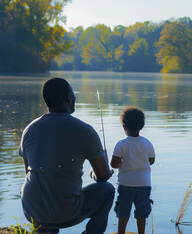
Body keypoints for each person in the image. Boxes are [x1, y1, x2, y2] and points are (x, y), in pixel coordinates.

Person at [18, 77, 114, 234]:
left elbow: (28, 172)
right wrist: (97, 173)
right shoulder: (85, 131)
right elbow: (103, 176)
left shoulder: (29, 129)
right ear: (69, 98)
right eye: (73, 94)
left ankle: (45, 231)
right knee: (107, 190)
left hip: (32, 210)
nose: (75, 97)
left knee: (41, 187)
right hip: (65, 212)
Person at [110, 106, 155, 234]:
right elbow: (151, 161)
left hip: (125, 184)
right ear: (142, 126)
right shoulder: (147, 143)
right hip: (144, 184)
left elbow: (114, 164)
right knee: (142, 211)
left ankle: (121, 232)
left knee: (123, 210)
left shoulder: (121, 144)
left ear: (124, 126)